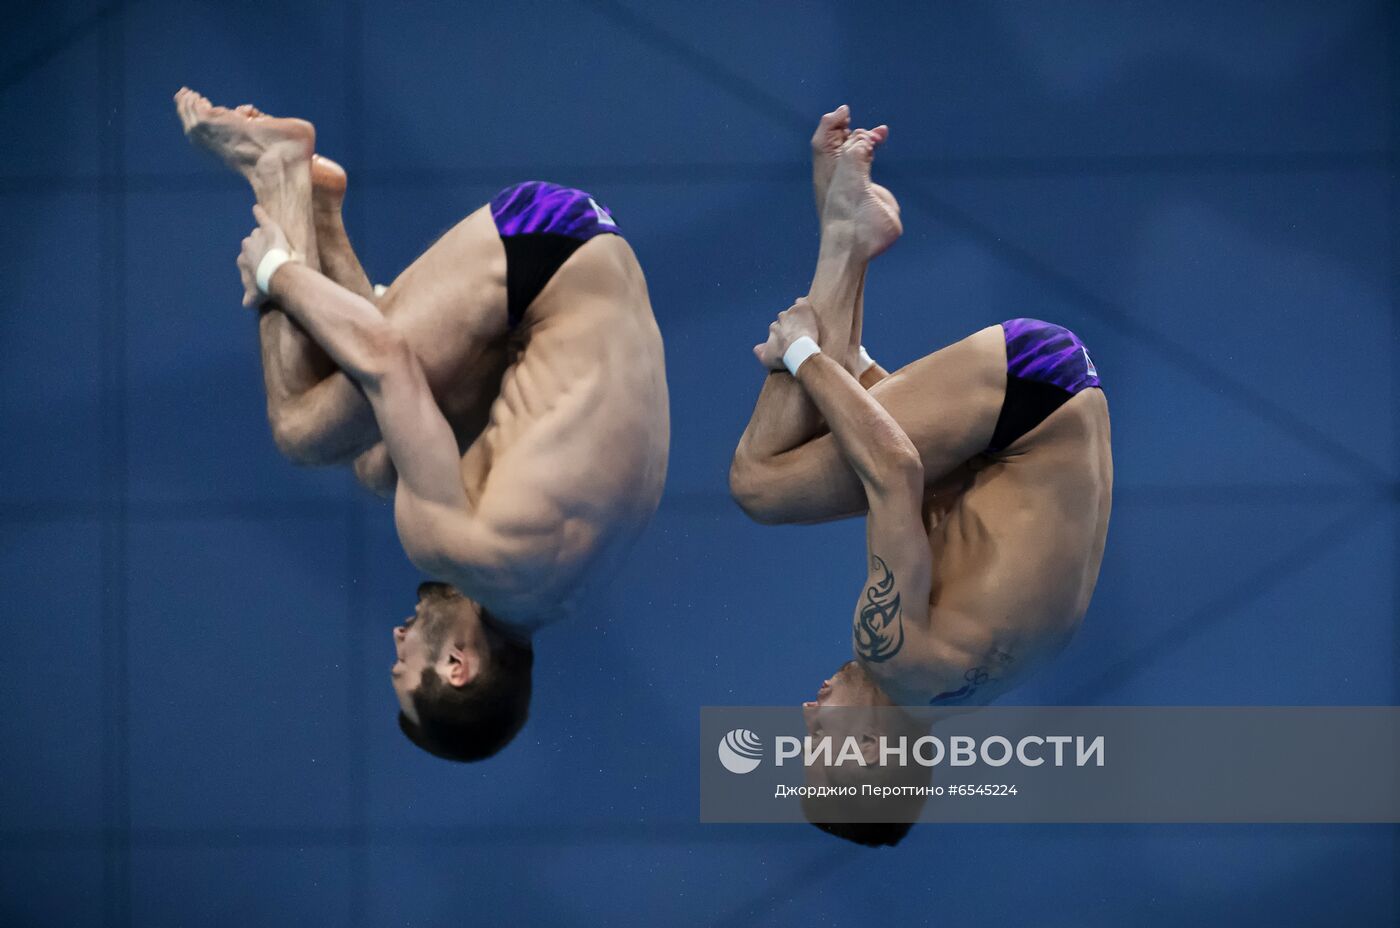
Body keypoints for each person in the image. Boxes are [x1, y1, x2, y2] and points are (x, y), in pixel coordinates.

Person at [174, 89, 669, 762]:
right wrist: (276, 272)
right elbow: (388, 362)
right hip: (540, 251)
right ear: (458, 666)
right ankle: (279, 171)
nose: (397, 639)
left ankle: (321, 210)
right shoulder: (462, 550)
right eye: (404, 666)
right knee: (300, 429)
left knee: (381, 467)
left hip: (582, 264)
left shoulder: (561, 596)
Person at [731, 106, 1112, 844]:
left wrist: (833, 365)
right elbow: (898, 470)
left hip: (1039, 411)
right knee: (760, 484)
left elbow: (936, 484)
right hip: (1030, 395)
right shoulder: (894, 658)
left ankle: (849, 234)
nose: (806, 716)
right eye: (817, 748)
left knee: (834, 402)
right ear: (873, 751)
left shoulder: (967, 683)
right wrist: (804, 354)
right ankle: (844, 239)